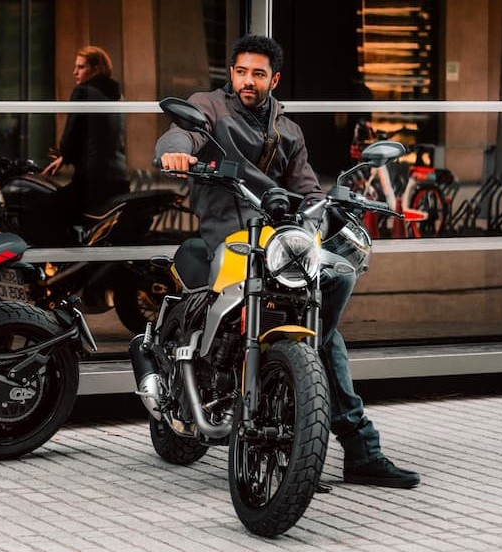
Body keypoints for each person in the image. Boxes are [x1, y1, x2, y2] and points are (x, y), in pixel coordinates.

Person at [155, 34, 420, 489]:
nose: (247, 81)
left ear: (273, 79)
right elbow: (183, 131)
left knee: (336, 274)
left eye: (258, 74)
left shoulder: (289, 131)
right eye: (241, 71)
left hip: (278, 241)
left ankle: (319, 438)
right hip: (232, 237)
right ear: (232, 73)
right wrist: (173, 151)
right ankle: (357, 448)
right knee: (327, 341)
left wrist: (334, 203)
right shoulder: (211, 109)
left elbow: (307, 190)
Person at [25, 45, 130, 246]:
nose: (74, 72)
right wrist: (67, 156)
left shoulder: (83, 92)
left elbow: (72, 134)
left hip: (91, 184)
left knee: (37, 214)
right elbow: (100, 136)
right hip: (118, 181)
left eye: (80, 67)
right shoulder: (117, 95)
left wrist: (64, 153)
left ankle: (65, 267)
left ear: (96, 68)